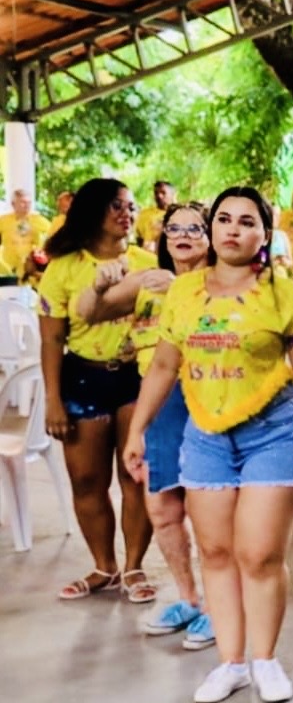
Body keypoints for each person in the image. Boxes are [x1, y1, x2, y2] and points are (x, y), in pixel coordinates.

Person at [124, 186, 293, 703]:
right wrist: (138, 429)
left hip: (276, 430)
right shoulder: (184, 292)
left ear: (265, 234)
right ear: (212, 229)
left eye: (247, 221)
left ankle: (265, 659)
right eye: (224, 219)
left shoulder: (281, 293)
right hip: (207, 433)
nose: (233, 229)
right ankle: (231, 663)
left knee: (259, 553)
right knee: (216, 552)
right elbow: (164, 364)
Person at [78, 201, 216, 649]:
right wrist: (99, 286)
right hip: (157, 404)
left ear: (211, 237)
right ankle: (189, 598)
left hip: (207, 397)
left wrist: (182, 289)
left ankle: (219, 607)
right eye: (175, 228)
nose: (183, 236)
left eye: (195, 228)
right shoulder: (147, 281)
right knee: (162, 507)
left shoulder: (221, 282)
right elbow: (87, 312)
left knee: (209, 512)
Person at [37, 179, 156, 602]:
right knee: (87, 480)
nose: (127, 213)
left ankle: (134, 567)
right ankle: (104, 566)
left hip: (136, 379)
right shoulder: (64, 267)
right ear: (92, 212)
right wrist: (52, 400)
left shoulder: (147, 262)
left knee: (135, 476)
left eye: (130, 205)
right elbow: (52, 339)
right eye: (116, 206)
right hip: (83, 379)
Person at [1, 188, 52, 275]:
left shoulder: (39, 220)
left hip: (31, 267)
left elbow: (55, 235)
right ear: (13, 204)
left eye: (29, 202)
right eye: (23, 202)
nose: (27, 205)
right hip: (8, 267)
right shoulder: (3, 220)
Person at [134, 181, 176, 250]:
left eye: (163, 193)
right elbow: (139, 237)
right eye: (156, 193)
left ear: (172, 194)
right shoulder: (144, 214)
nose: (159, 196)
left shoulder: (178, 214)